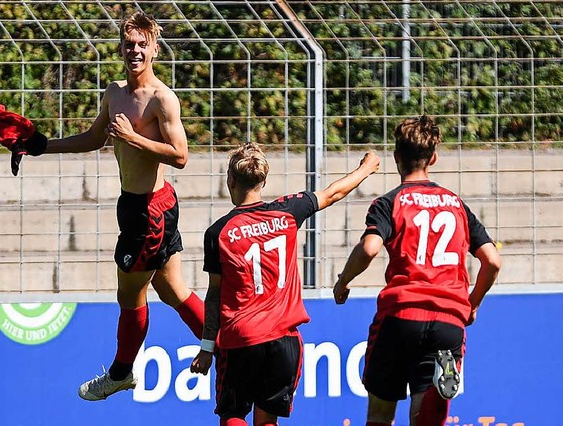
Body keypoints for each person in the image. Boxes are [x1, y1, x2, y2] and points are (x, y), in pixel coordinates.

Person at [0, 12, 205, 401]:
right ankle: (227, 343)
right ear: (121, 47)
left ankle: (121, 373)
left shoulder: (161, 98)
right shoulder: (115, 91)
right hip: (142, 206)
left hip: (149, 212)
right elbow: (93, 137)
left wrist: (134, 138)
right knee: (172, 291)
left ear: (154, 49)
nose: (134, 50)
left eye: (142, 44)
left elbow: (181, 156)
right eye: (128, 44)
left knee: (129, 296)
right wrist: (40, 146)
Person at [190, 143, 380, 426]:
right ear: (263, 181)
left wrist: (207, 347)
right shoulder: (288, 212)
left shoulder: (218, 233)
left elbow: (215, 295)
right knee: (267, 420)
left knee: (233, 414)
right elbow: (333, 193)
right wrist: (365, 169)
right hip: (284, 340)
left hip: (242, 339)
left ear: (229, 180)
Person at [333, 115, 502, 426]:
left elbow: (369, 249)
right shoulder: (456, 204)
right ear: (433, 158)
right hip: (448, 319)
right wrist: (472, 303)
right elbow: (492, 260)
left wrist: (343, 281)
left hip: (402, 315)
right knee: (423, 416)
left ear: (397, 157)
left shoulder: (390, 202)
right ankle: (437, 391)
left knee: (380, 415)